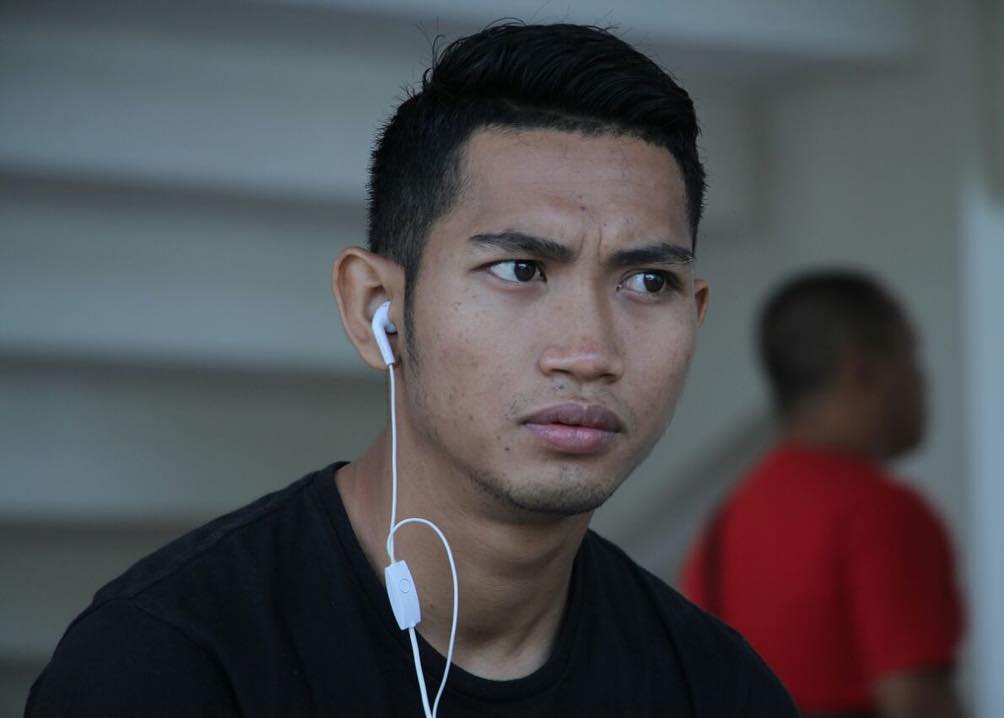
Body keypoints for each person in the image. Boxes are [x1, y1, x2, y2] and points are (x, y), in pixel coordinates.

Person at [26, 23, 796, 717]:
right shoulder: (165, 663)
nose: (590, 352)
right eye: (520, 269)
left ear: (695, 315)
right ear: (378, 308)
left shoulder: (717, 688)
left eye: (648, 282)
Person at [681, 269, 966, 718]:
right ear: (863, 371)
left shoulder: (724, 526)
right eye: (911, 356)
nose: (923, 380)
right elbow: (918, 704)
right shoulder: (880, 513)